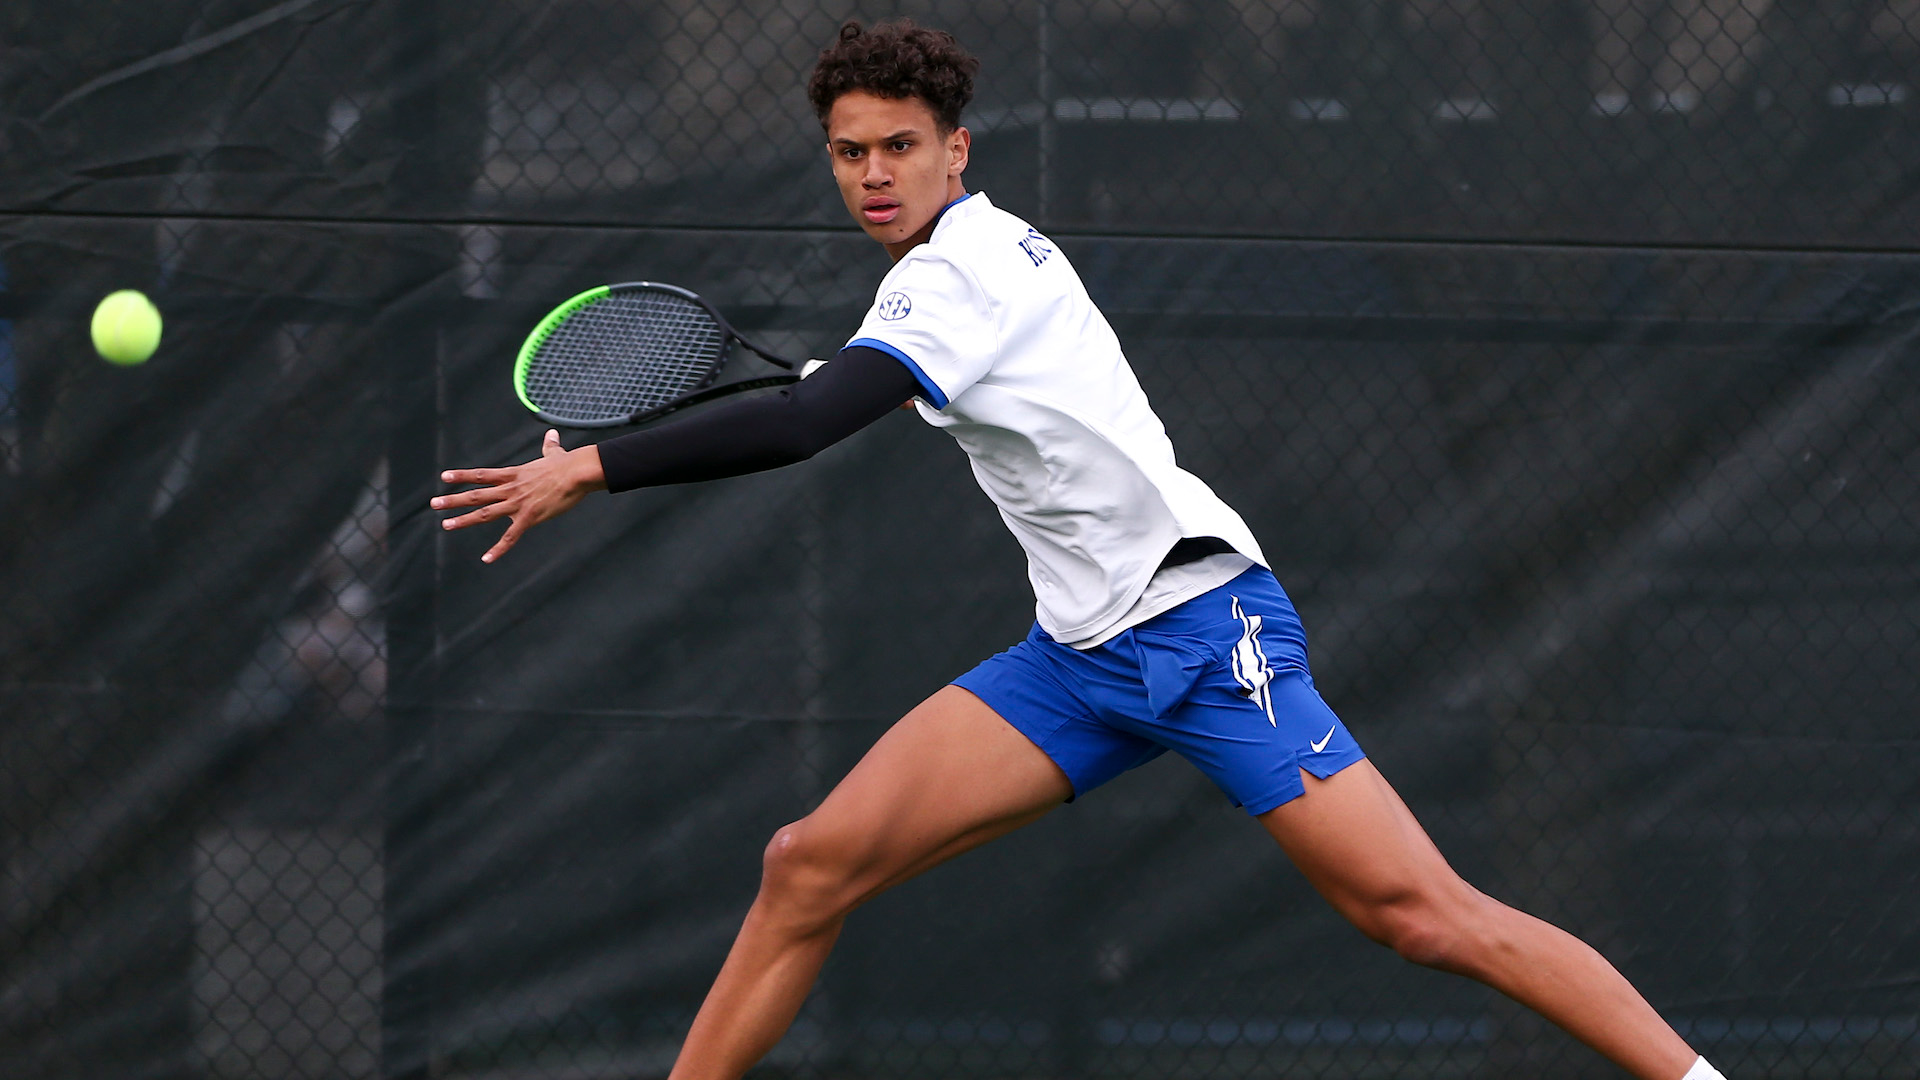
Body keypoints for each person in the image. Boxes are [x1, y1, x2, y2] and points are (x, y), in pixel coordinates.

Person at [432, 19, 1728, 1080]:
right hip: (1078, 660)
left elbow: (809, 422)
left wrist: (593, 467)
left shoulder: (961, 276)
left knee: (1422, 917)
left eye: (900, 147)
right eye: (848, 153)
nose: (873, 173)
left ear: (956, 152)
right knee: (805, 864)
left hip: (1204, 636)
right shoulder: (938, 278)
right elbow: (852, 386)